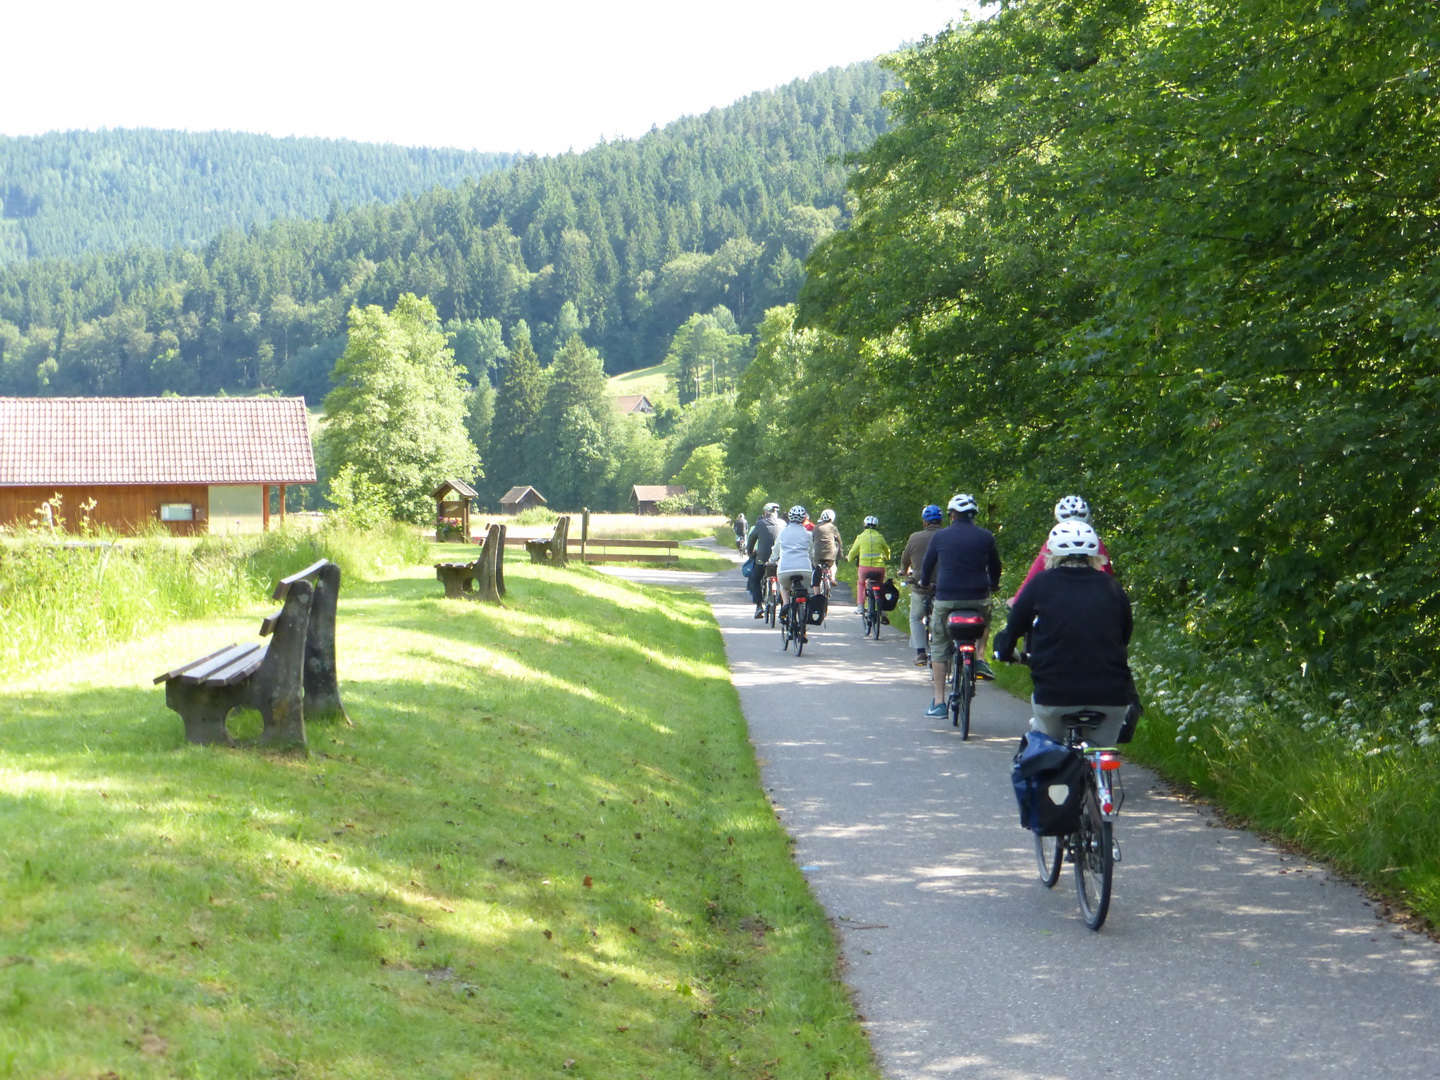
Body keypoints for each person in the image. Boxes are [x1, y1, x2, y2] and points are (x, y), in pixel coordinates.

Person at [992, 519, 1135, 746]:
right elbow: (1125, 633)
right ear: (1095, 555)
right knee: (1102, 750)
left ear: (1051, 554)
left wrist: (1005, 649)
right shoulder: (1111, 586)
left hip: (1055, 693)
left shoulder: (1041, 583)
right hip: (1112, 694)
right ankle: (1102, 776)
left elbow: (1015, 626)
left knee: (1047, 749)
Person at [919, 493, 1001, 718]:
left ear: (952, 515)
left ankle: (939, 702)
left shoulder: (941, 537)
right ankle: (981, 658)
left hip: (947, 599)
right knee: (986, 616)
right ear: (973, 515)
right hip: (978, 597)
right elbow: (996, 566)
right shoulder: (986, 537)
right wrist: (993, 584)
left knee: (939, 645)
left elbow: (927, 566)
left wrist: (924, 583)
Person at [1008, 495, 1113, 607]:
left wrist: (1018, 600)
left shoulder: (1054, 541)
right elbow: (1108, 573)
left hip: (1057, 600)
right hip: (1092, 601)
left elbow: (1034, 573)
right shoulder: (1094, 541)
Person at [899, 504, 944, 667]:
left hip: (920, 585)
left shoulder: (915, 537)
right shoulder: (947, 536)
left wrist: (903, 570)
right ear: (941, 521)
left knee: (916, 617)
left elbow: (905, 558)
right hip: (943, 586)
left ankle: (920, 653)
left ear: (925, 522)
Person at [775, 506, 816, 633]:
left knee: (783, 586)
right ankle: (804, 617)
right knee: (805, 591)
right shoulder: (808, 533)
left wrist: (771, 560)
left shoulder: (782, 532)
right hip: (804, 569)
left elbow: (776, 550)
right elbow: (811, 552)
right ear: (804, 518)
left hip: (785, 569)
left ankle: (786, 604)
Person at [847, 515, 891, 616]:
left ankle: (860, 607)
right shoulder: (880, 537)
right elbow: (887, 550)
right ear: (876, 526)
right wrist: (887, 557)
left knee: (861, 583)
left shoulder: (861, 537)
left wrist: (848, 558)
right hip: (879, 568)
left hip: (864, 568)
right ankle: (882, 609)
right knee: (880, 585)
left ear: (864, 525)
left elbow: (853, 551)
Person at [746, 503, 783, 618]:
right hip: (779, 559)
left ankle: (758, 607)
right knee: (783, 581)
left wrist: (750, 553)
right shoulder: (782, 524)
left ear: (765, 513)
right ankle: (784, 606)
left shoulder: (760, 523)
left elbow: (751, 540)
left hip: (762, 559)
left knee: (755, 579)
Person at [809, 508, 843, 594]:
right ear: (832, 519)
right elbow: (839, 541)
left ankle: (816, 593)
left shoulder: (816, 528)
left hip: (818, 555)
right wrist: (840, 555)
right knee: (833, 564)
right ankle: (832, 578)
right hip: (830, 555)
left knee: (816, 568)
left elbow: (812, 540)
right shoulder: (833, 528)